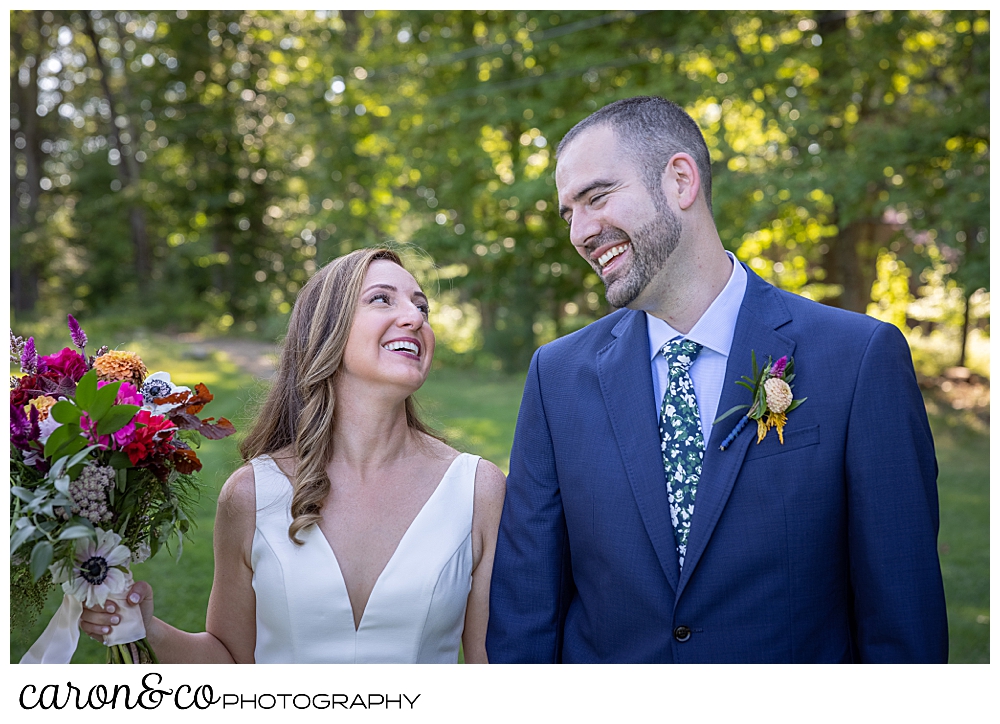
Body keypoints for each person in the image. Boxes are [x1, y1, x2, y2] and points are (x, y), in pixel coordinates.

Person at [486, 96, 948, 663]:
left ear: (680, 181)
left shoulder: (857, 359)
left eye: (597, 197)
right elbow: (525, 614)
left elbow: (904, 623)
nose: (580, 231)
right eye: (568, 214)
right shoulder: (557, 377)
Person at [81, 248, 506, 663]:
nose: (415, 318)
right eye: (381, 298)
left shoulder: (477, 490)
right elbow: (230, 661)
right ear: (327, 329)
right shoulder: (250, 494)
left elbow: (491, 676)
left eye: (421, 307)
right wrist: (143, 625)